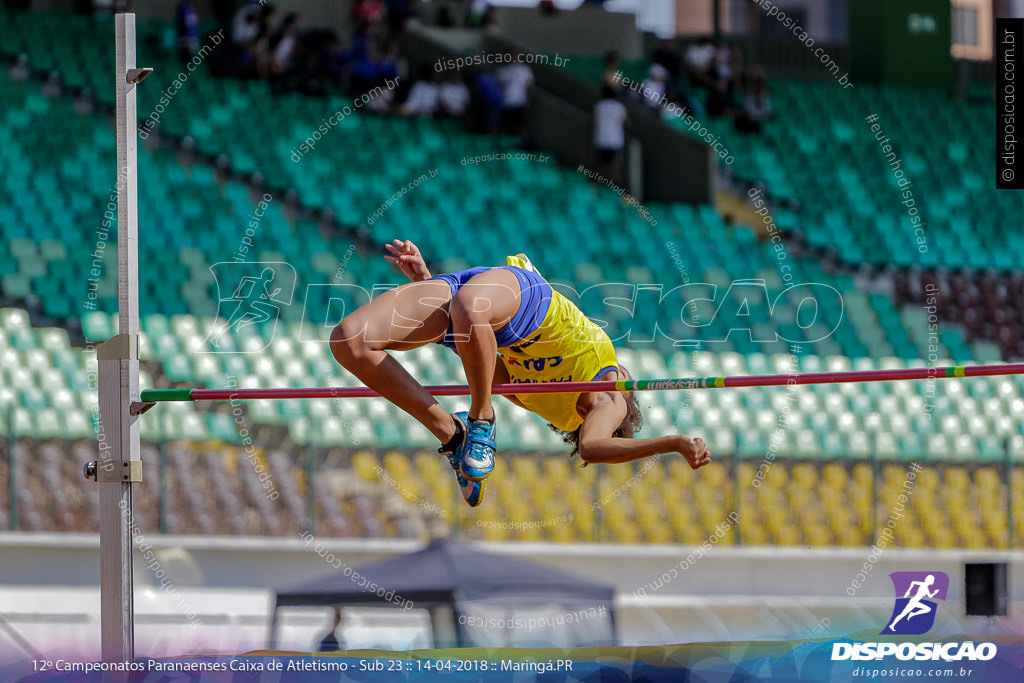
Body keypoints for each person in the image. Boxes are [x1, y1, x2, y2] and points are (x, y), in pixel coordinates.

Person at [330, 240, 712, 507]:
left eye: (621, 409)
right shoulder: (582, 392)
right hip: (524, 296)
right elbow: (473, 340)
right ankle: (472, 423)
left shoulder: (580, 400)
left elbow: (593, 448)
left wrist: (673, 443)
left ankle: (460, 430)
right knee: (468, 306)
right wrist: (426, 281)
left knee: (350, 342)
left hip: (480, 307)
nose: (621, 392)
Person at [592, 86, 627, 185]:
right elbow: (625, 123)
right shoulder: (620, 107)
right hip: (615, 140)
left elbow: (593, 122)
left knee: (599, 165)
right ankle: (617, 189)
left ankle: (594, 188)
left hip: (601, 139)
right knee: (615, 167)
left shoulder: (599, 106)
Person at [497, 55, 534, 144]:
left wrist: (528, 99)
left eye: (514, 56)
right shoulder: (502, 70)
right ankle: (505, 146)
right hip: (505, 103)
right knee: (505, 126)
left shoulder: (524, 69)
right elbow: (498, 86)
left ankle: (523, 145)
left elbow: (529, 86)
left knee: (521, 126)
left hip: (519, 102)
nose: (512, 58)